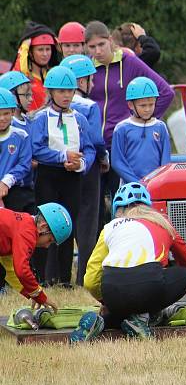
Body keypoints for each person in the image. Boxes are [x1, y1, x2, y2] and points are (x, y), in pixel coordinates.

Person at [79, 183, 186, 340]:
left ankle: (101, 322)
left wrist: (105, 301)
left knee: (125, 305)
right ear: (148, 205)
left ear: (117, 209)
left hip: (112, 290)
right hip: (148, 286)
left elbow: (90, 279)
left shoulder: (109, 227)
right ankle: (145, 317)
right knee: (183, 275)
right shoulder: (162, 223)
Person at [86, 20, 173, 225]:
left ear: (110, 40)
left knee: (127, 208)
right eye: (91, 47)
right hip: (94, 149)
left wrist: (144, 122)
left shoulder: (129, 62)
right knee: (95, 211)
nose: (97, 51)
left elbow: (166, 92)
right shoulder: (87, 68)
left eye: (101, 44)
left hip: (124, 145)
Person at [30, 66, 96, 286]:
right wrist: (62, 156)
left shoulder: (80, 118)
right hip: (48, 175)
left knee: (68, 224)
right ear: (50, 92)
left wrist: (81, 164)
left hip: (72, 177)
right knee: (45, 224)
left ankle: (65, 279)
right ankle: (43, 278)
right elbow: (36, 148)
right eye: (61, 91)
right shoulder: (41, 118)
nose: (67, 95)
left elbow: (90, 148)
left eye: (70, 91)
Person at [60, 54, 108, 285]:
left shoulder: (54, 106)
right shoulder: (89, 106)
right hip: (87, 168)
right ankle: (84, 277)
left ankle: (57, 276)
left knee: (62, 221)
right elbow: (97, 140)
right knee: (87, 224)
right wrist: (103, 157)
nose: (94, 83)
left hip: (61, 168)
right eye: (91, 78)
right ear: (81, 81)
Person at [0, 202, 72, 310]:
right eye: (50, 240)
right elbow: (22, 270)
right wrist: (40, 296)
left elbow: (10, 270)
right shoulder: (27, 232)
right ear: (43, 227)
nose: (47, 246)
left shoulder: (22, 224)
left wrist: (32, 292)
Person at [111, 77, 171, 184]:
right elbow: (117, 162)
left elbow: (165, 160)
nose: (147, 109)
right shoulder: (122, 128)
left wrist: (158, 181)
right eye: (143, 105)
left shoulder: (160, 127)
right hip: (130, 187)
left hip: (156, 185)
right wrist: (136, 183)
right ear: (130, 105)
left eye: (151, 104)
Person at [0, 72, 37, 215]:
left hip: (22, 189)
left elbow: (24, 162)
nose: (31, 99)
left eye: (6, 113)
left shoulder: (23, 132)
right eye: (26, 95)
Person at [12, 22, 62, 111]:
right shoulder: (24, 76)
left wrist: (62, 49)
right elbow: (17, 73)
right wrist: (25, 46)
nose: (45, 54)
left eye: (48, 49)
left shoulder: (54, 74)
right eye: (40, 50)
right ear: (30, 53)